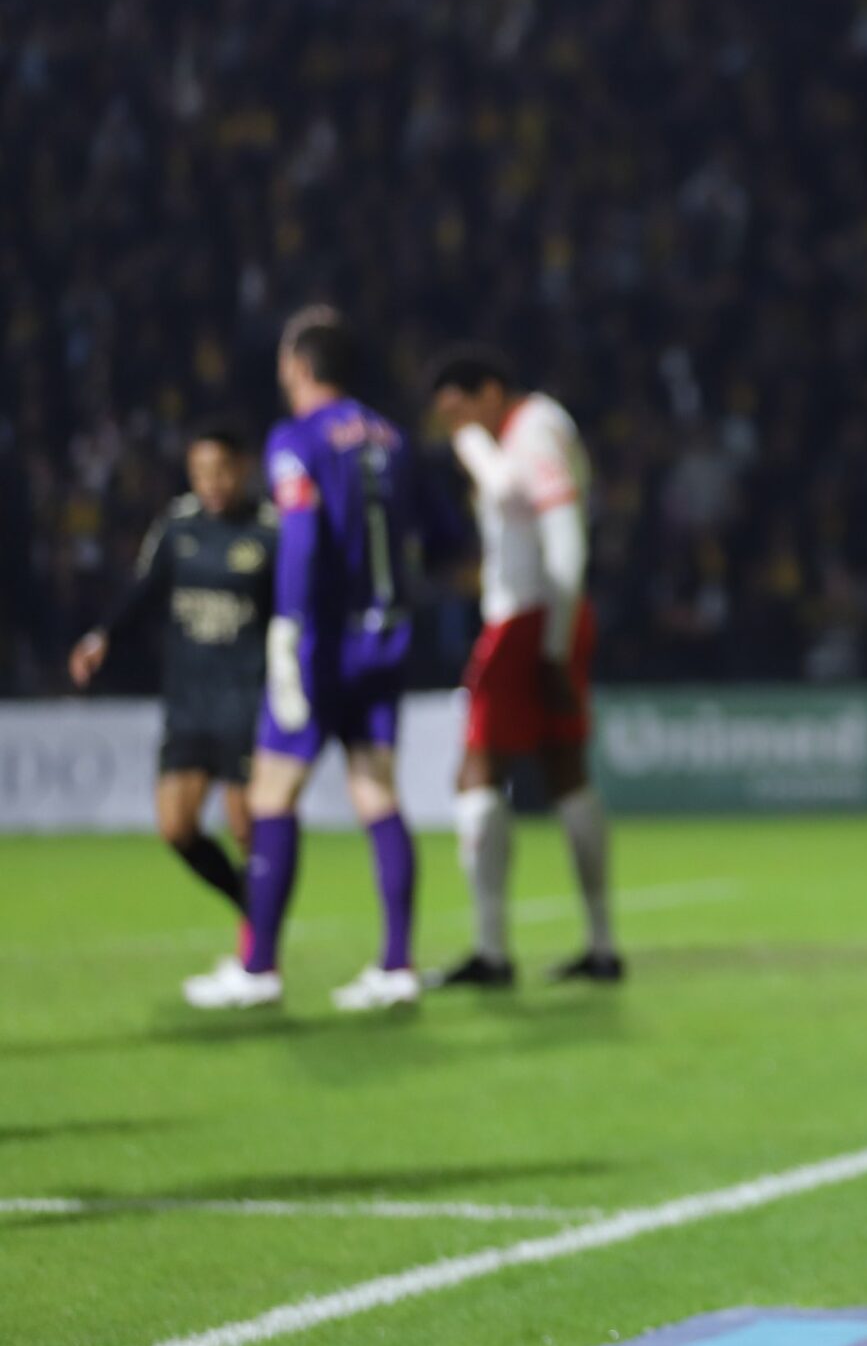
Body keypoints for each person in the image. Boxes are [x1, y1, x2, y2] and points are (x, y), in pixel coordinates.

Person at [183, 307, 426, 1013]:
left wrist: (288, 631)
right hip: (387, 641)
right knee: (377, 793)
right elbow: (436, 531)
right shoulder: (394, 438)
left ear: (299, 364)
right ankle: (398, 963)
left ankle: (257, 966)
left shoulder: (297, 440)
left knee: (269, 796)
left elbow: (302, 540)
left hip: (322, 646)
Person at [424, 347, 620, 988]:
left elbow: (563, 534)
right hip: (549, 618)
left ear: (489, 391)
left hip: (528, 622)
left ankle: (491, 950)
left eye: (462, 410)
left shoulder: (529, 430)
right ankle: (601, 945)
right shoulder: (537, 430)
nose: (460, 426)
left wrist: (554, 647)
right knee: (565, 771)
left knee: (477, 770)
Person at [68, 424, 276, 947]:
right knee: (176, 827)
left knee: (248, 828)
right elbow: (144, 590)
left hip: (247, 699)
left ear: (243, 468)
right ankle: (249, 903)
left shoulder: (270, 531)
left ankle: (256, 951)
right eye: (200, 473)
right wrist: (103, 636)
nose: (211, 483)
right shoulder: (178, 526)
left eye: (221, 471)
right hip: (188, 700)